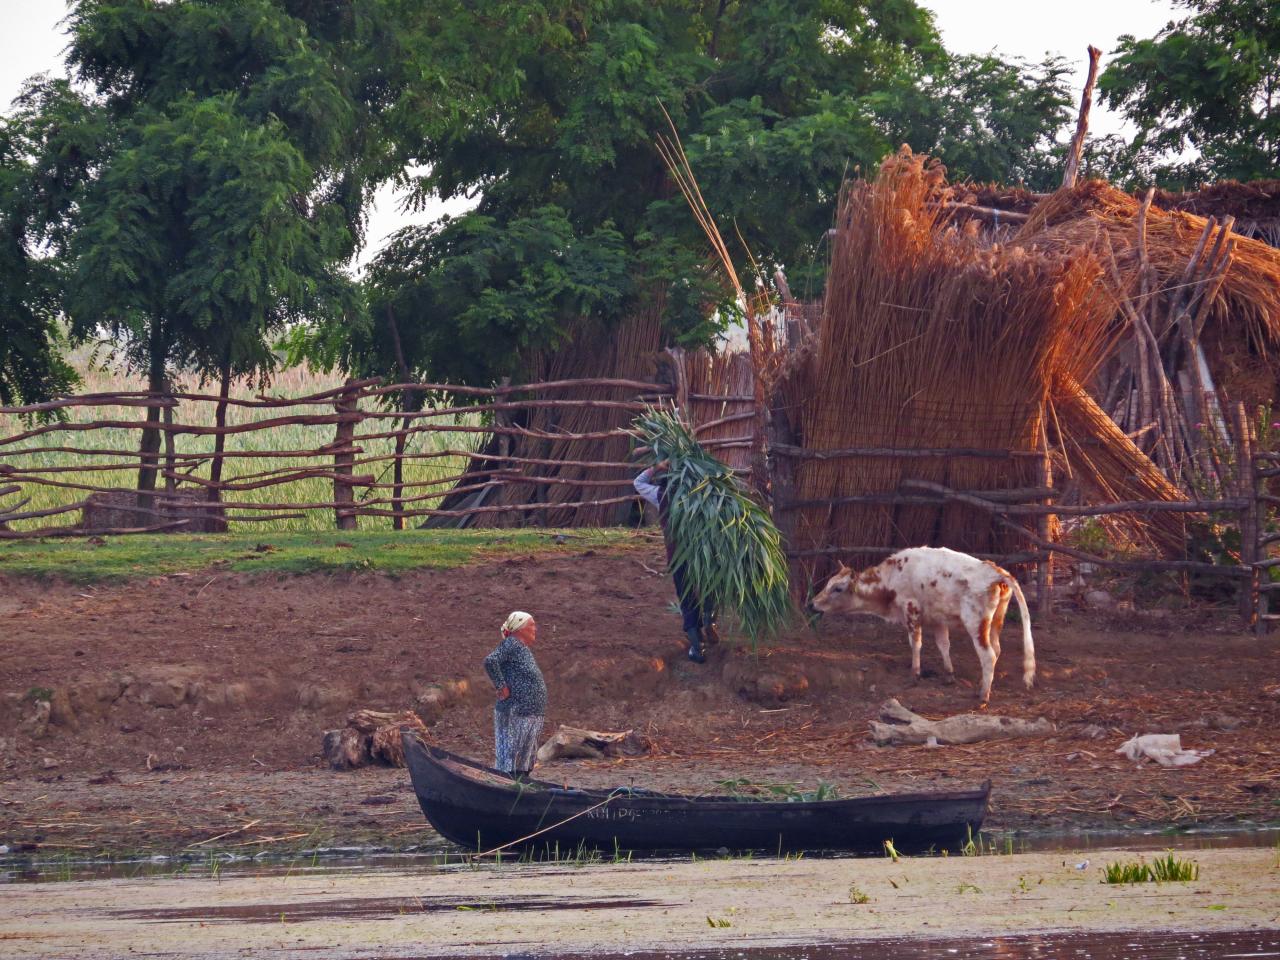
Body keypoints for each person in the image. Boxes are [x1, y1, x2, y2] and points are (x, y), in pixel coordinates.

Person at [634, 460, 718, 664]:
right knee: (710, 588)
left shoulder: (661, 495)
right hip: (703, 555)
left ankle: (696, 646)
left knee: (687, 596)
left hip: (679, 557)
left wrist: (657, 466)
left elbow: (638, 482)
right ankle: (708, 616)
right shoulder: (703, 494)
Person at [483, 611, 547, 777]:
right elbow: (491, 661)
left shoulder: (522, 648)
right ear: (520, 627)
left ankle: (520, 783)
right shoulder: (511, 643)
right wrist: (501, 686)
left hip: (530, 713)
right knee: (511, 757)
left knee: (523, 760)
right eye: (531, 625)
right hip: (515, 712)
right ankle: (509, 784)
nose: (535, 629)